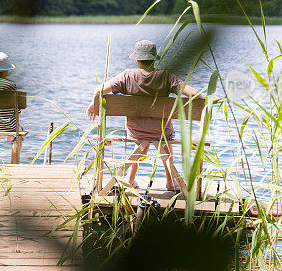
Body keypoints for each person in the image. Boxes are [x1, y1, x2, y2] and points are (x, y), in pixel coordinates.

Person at [86, 40, 200, 193]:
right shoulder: (167, 77)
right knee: (167, 143)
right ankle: (170, 182)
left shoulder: (127, 76)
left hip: (136, 132)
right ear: (154, 59)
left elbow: (99, 89)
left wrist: (95, 102)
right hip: (162, 133)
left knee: (141, 144)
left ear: (138, 60)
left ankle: (130, 179)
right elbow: (194, 94)